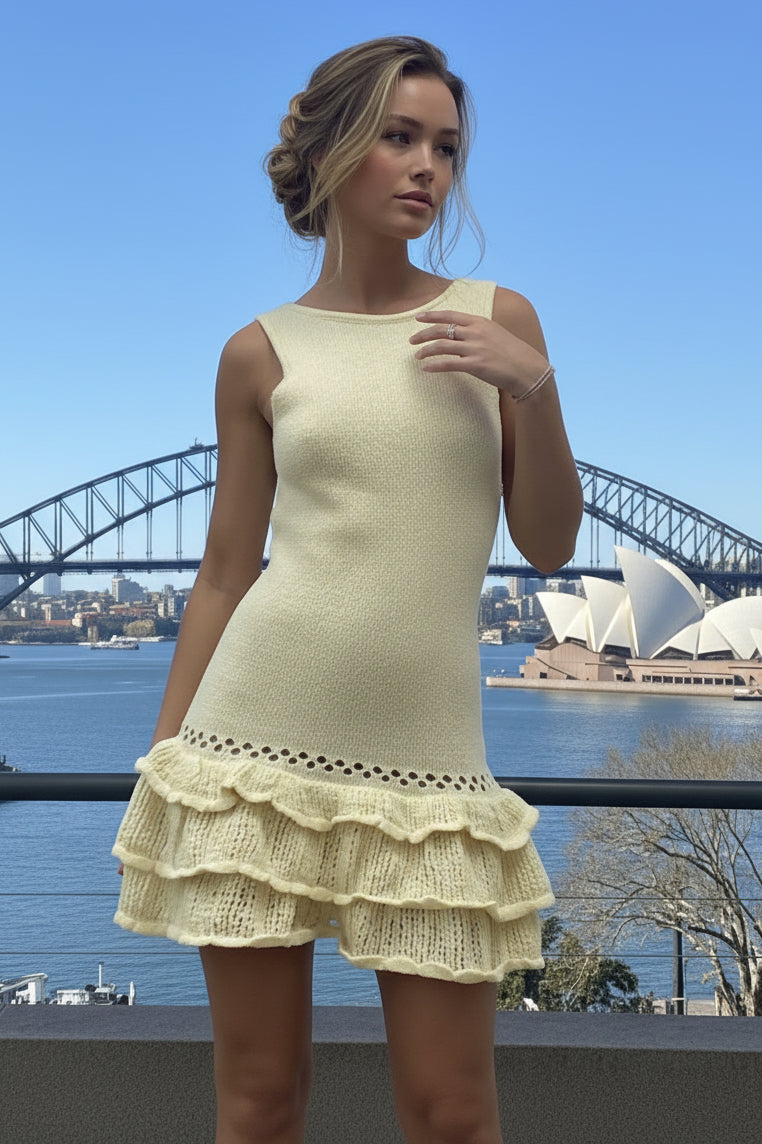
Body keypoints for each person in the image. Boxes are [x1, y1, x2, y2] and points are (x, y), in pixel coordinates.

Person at [113, 35, 583, 1144]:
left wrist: (538, 389)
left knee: (455, 1112)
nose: (427, 166)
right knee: (262, 1102)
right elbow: (227, 569)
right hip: (252, 749)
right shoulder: (259, 354)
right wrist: (169, 766)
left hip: (429, 764)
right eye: (398, 136)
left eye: (447, 147)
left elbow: (551, 544)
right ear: (330, 151)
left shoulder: (498, 318)